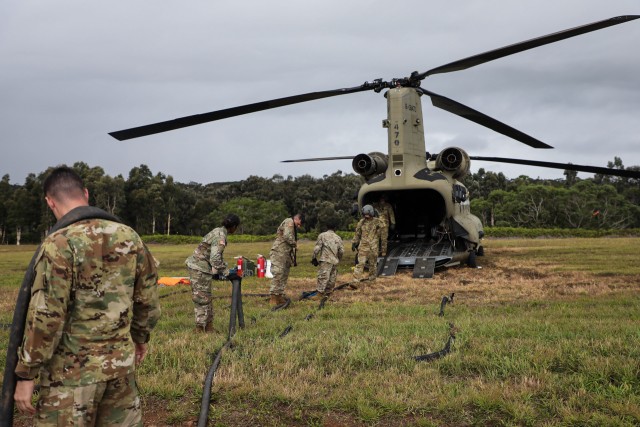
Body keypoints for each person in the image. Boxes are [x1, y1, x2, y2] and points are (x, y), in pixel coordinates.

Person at [13, 166, 161, 424]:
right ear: (86, 193)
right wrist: (140, 337)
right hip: (120, 371)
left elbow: (46, 316)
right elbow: (147, 298)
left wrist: (26, 374)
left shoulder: (59, 242)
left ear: (50, 201)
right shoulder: (130, 236)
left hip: (70, 378)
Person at [185, 213, 240, 332]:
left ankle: (209, 327)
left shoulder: (219, 231)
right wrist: (226, 272)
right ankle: (199, 329)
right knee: (201, 298)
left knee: (207, 297)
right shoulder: (221, 236)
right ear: (234, 226)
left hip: (203, 267)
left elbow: (215, 256)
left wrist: (222, 269)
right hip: (198, 267)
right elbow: (215, 258)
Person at [269, 213, 304, 306]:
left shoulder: (292, 225)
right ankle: (273, 297)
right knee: (278, 274)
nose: (299, 226)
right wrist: (295, 244)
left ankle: (279, 296)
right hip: (279, 252)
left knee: (284, 275)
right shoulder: (289, 221)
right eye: (300, 223)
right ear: (297, 219)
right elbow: (287, 236)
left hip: (285, 254)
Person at [310, 219, 344, 300]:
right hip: (334, 261)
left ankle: (319, 294)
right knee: (332, 278)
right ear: (335, 228)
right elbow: (341, 251)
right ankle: (328, 294)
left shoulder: (322, 235)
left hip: (325, 259)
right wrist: (339, 259)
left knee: (323, 277)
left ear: (326, 227)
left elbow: (317, 248)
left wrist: (314, 258)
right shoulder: (338, 238)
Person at [351, 204, 383, 287]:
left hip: (373, 247)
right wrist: (354, 242)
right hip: (363, 246)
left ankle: (372, 280)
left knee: (373, 264)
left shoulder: (377, 221)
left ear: (372, 213)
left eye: (368, 215)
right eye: (365, 215)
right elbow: (357, 233)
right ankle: (355, 282)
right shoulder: (361, 222)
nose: (366, 217)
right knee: (360, 264)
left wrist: (379, 215)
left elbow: (383, 226)